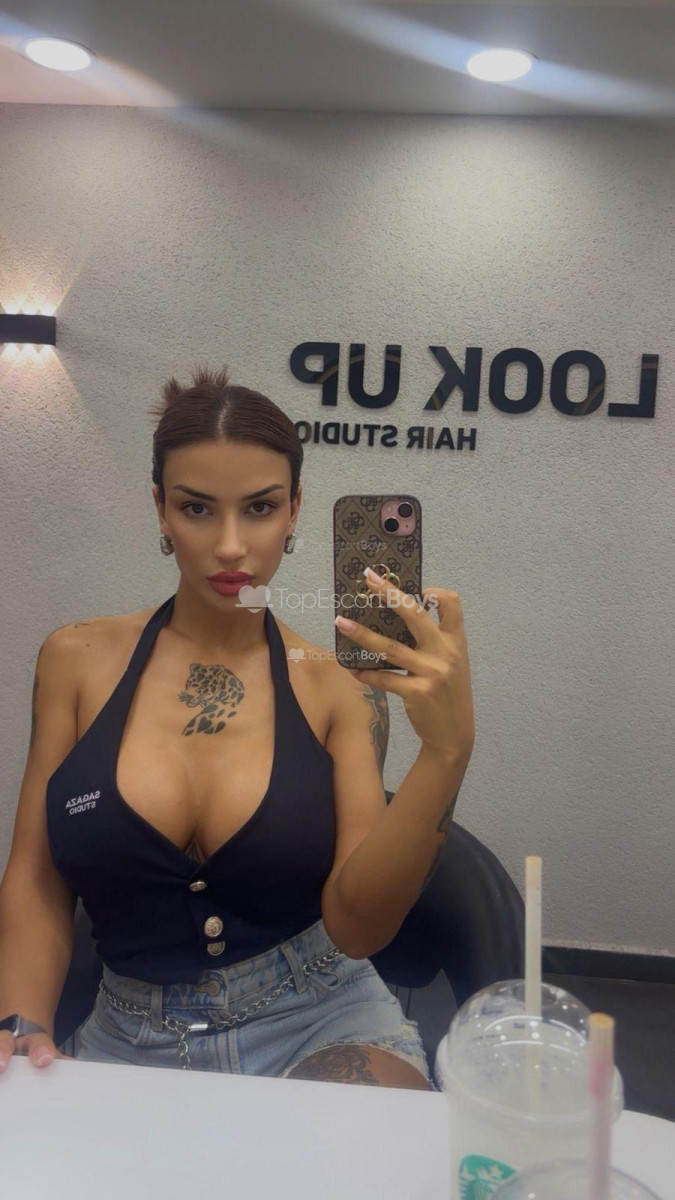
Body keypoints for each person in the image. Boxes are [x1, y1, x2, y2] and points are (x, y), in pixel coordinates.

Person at [0, 365, 475, 1088]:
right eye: (197, 508)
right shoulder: (76, 660)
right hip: (128, 1034)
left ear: (294, 512)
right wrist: (21, 1022)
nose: (229, 546)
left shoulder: (336, 688)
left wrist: (445, 751)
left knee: (348, 1144)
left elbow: (357, 927)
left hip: (319, 1015)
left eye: (259, 508)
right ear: (160, 509)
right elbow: (36, 877)